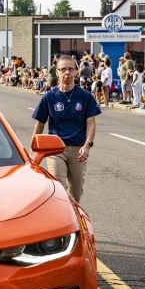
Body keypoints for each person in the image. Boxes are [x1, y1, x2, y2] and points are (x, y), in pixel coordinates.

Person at [31, 55, 100, 203]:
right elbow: (40, 124)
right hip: (55, 149)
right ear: (57, 72)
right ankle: (64, 220)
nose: (67, 73)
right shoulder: (48, 97)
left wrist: (87, 145)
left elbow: (91, 124)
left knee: (76, 192)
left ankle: (73, 214)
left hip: (78, 149)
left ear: (76, 72)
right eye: (63, 69)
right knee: (59, 188)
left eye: (70, 69)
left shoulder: (86, 97)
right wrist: (34, 148)